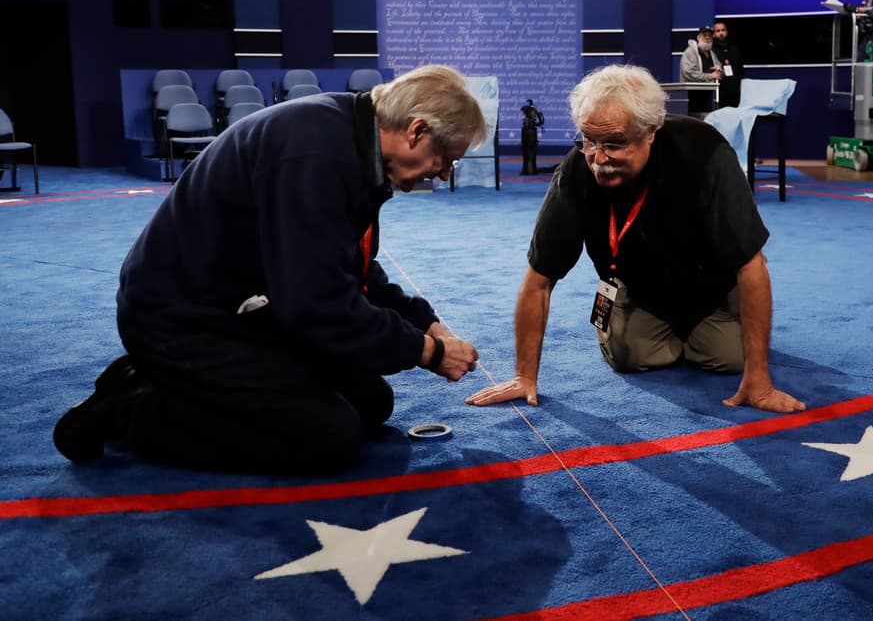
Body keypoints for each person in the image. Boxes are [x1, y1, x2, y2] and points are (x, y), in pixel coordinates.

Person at [53, 65, 485, 475]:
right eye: (447, 159)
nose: (444, 174)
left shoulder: (349, 137)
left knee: (371, 401)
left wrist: (427, 325)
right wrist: (425, 353)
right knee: (328, 438)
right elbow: (318, 306)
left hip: (240, 307)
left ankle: (176, 384)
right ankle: (133, 407)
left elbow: (353, 269)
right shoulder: (315, 154)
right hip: (181, 323)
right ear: (417, 130)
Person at [465, 64, 805, 415]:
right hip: (637, 287)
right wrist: (524, 376)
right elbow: (539, 279)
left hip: (711, 288)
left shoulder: (705, 154)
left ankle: (718, 328)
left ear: (651, 132)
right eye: (589, 140)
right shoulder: (576, 170)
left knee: (729, 360)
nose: (598, 159)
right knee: (631, 357)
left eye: (614, 144)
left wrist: (759, 380)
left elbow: (752, 264)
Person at [679, 24, 722, 119]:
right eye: (704, 35)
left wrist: (719, 70)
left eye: (710, 35)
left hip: (708, 102)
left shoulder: (712, 54)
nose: (707, 38)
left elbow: (718, 73)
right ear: (698, 37)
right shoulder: (689, 52)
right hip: (692, 103)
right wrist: (711, 76)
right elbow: (690, 74)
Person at [710, 20, 744, 108]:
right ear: (713, 34)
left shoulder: (735, 49)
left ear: (727, 32)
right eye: (718, 31)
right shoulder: (711, 50)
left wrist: (740, 86)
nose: (721, 33)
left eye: (723, 30)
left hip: (735, 92)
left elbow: (740, 70)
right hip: (719, 91)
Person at [520, 98, 544, 175]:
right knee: (528, 150)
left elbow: (540, 120)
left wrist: (536, 123)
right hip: (529, 132)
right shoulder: (534, 110)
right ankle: (529, 169)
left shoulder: (531, 110)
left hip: (530, 132)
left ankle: (530, 169)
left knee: (530, 150)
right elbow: (541, 120)